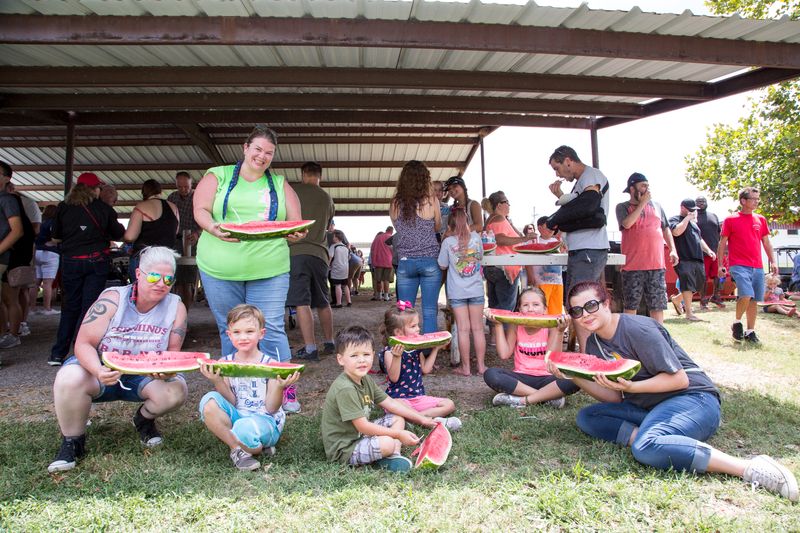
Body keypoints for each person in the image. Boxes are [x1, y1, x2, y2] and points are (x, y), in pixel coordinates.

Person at [549, 280, 797, 502]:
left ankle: (747, 467)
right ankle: (664, 438)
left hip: (694, 399)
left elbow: (679, 380)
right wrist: (574, 375)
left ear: (606, 303)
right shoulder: (594, 344)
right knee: (588, 416)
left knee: (644, 448)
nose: (585, 314)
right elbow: (614, 397)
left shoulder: (638, 329)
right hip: (651, 407)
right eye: (577, 311)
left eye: (591, 305)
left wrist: (633, 387)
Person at [47, 246, 189, 473]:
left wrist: (167, 371)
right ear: (139, 274)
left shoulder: (176, 307)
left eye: (168, 279)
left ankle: (143, 420)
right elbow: (83, 343)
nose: (161, 283)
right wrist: (98, 370)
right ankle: (72, 442)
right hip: (100, 371)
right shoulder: (113, 299)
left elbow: (172, 353)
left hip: (144, 376)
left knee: (176, 390)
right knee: (69, 377)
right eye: (154, 276)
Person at [193, 125, 306, 361]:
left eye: (269, 153)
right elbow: (200, 209)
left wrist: (297, 234)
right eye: (258, 149)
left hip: (270, 269)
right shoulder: (218, 175)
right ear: (245, 148)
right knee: (231, 330)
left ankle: (281, 384)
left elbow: (296, 222)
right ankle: (237, 383)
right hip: (219, 269)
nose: (262, 156)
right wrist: (213, 228)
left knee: (271, 328)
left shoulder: (280, 183)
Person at [320, 325, 437, 472]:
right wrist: (398, 434)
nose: (361, 360)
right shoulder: (345, 388)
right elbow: (363, 426)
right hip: (345, 448)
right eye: (354, 356)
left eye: (366, 354)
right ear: (340, 359)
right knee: (387, 443)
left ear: (373, 355)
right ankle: (388, 451)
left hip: (359, 435)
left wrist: (421, 419)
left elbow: (390, 403)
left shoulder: (365, 379)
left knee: (397, 418)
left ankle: (393, 455)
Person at [198, 304, 300, 471]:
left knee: (242, 428)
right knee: (208, 401)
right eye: (237, 332)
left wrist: (280, 387)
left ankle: (252, 445)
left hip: (266, 421)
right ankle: (238, 449)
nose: (243, 337)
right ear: (229, 335)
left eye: (249, 331)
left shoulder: (271, 365)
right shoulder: (225, 363)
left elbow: (271, 408)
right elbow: (231, 401)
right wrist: (217, 381)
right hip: (238, 417)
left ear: (261, 334)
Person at [49, 172, 125, 366]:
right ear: (95, 189)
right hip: (96, 261)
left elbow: (56, 237)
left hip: (71, 261)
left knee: (70, 306)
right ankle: (80, 352)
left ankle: (57, 354)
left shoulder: (63, 207)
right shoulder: (103, 208)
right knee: (90, 307)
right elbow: (119, 234)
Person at [484, 287, 576, 408]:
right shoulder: (515, 326)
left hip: (547, 378)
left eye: (536, 304)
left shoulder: (553, 327)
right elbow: (504, 354)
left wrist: (559, 332)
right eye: (525, 305)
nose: (530, 309)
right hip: (521, 378)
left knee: (575, 379)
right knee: (491, 374)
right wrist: (498, 325)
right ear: (520, 309)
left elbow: (552, 360)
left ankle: (520, 399)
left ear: (545, 309)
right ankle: (546, 397)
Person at [378, 303, 462, 429]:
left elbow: (426, 369)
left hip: (418, 398)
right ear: (398, 332)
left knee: (449, 404)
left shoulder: (417, 348)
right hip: (398, 399)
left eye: (418, 325)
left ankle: (417, 418)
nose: (418, 329)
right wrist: (397, 357)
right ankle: (431, 420)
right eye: (413, 326)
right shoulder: (390, 352)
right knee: (394, 406)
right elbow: (394, 378)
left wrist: (435, 349)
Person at [286, 161, 336, 363]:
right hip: (320, 254)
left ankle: (310, 348)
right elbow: (329, 226)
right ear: (320, 176)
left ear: (303, 174)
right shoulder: (327, 198)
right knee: (323, 300)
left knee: (302, 301)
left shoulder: (293, 192)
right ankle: (330, 342)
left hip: (297, 252)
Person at [716, 187, 778, 344]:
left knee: (754, 300)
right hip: (738, 265)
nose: (757, 202)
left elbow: (766, 242)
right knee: (746, 294)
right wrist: (720, 265)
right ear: (743, 201)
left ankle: (750, 332)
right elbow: (722, 244)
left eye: (758, 199)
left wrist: (773, 261)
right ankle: (737, 323)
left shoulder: (760, 219)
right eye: (753, 199)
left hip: (757, 266)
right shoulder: (731, 220)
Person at [615, 173, 678, 324]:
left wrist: (673, 249)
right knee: (631, 305)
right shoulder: (623, 207)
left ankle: (658, 334)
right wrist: (642, 204)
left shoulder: (657, 206)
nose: (647, 189)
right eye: (643, 186)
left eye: (648, 186)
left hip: (656, 265)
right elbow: (627, 224)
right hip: (633, 266)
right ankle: (630, 334)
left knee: (657, 306)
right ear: (632, 189)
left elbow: (665, 228)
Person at [547, 146, 610, 293]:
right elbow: (578, 208)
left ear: (568, 161)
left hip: (589, 248)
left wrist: (555, 219)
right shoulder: (582, 181)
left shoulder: (591, 175)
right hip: (582, 249)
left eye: (557, 168)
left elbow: (588, 205)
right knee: (575, 296)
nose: (558, 174)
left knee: (580, 298)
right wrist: (561, 197)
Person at [389, 160, 442, 334]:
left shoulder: (395, 203)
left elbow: (399, 229)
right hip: (429, 261)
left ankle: (406, 349)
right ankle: (429, 349)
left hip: (405, 262)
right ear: (425, 179)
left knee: (404, 312)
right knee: (430, 311)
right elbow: (437, 227)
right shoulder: (431, 201)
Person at [437, 207, 485, 376]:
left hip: (457, 291)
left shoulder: (448, 242)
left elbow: (442, 264)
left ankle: (466, 368)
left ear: (450, 226)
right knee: (478, 329)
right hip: (476, 289)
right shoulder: (477, 238)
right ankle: (481, 367)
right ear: (467, 223)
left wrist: (446, 238)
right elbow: (480, 258)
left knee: (463, 330)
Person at [670, 198, 717, 322]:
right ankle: (689, 313)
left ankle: (677, 299)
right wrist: (687, 219)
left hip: (698, 258)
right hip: (683, 258)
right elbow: (676, 232)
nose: (693, 212)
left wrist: (708, 250)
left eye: (694, 210)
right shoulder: (675, 219)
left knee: (698, 284)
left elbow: (699, 239)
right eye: (690, 210)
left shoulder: (694, 225)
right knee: (687, 285)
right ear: (682, 207)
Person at [124, 179, 180, 282]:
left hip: (145, 257)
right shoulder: (174, 208)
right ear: (160, 191)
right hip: (167, 258)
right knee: (164, 289)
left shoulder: (141, 207)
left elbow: (130, 236)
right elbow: (175, 232)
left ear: (144, 192)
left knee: (140, 290)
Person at [483, 191, 530, 314]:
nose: (509, 205)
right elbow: (500, 239)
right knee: (506, 310)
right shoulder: (499, 218)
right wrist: (524, 239)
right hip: (505, 268)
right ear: (499, 205)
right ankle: (503, 327)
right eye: (507, 202)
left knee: (494, 309)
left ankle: (494, 327)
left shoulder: (492, 219)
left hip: (493, 266)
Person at [0, 162, 25, 352]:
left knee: (10, 298)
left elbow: (17, 231)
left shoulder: (7, 199)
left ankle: (12, 334)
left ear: (6, 178)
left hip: (3, 257)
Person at [166, 171, 200, 308]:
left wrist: (198, 233)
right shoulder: (172, 197)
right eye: (180, 187)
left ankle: (186, 308)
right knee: (175, 277)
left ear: (191, 184)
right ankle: (175, 307)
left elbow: (208, 218)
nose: (183, 190)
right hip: (175, 241)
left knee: (189, 278)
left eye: (186, 187)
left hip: (193, 241)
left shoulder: (198, 197)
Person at [695, 196, 726, 309]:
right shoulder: (693, 217)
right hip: (702, 253)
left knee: (720, 275)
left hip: (716, 252)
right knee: (703, 277)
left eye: (703, 201)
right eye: (698, 202)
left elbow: (719, 234)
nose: (701, 203)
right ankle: (703, 300)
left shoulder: (713, 216)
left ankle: (716, 296)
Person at [532, 216, 565, 315]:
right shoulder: (534, 241)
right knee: (542, 309)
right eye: (548, 226)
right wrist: (531, 276)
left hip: (558, 282)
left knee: (556, 311)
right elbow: (528, 262)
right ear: (539, 228)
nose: (552, 229)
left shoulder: (558, 242)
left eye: (553, 226)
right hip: (541, 282)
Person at [33, 204, 60, 315]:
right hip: (50, 253)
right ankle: (46, 309)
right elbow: (57, 237)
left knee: (35, 283)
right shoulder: (54, 223)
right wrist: (53, 242)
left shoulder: (40, 223)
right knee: (47, 283)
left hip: (37, 252)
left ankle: (31, 308)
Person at [369, 227, 394, 301]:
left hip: (378, 261)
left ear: (386, 230)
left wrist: (373, 262)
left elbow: (372, 250)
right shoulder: (391, 237)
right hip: (388, 261)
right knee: (386, 280)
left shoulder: (377, 238)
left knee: (378, 280)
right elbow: (394, 249)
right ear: (391, 231)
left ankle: (379, 296)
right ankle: (386, 296)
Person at [328, 230, 351, 308]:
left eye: (333, 236)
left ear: (336, 237)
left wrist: (327, 266)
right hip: (345, 268)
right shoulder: (345, 247)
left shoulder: (333, 246)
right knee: (345, 285)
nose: (332, 238)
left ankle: (338, 303)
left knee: (337, 285)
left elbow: (330, 257)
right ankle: (349, 301)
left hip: (337, 268)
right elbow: (349, 258)